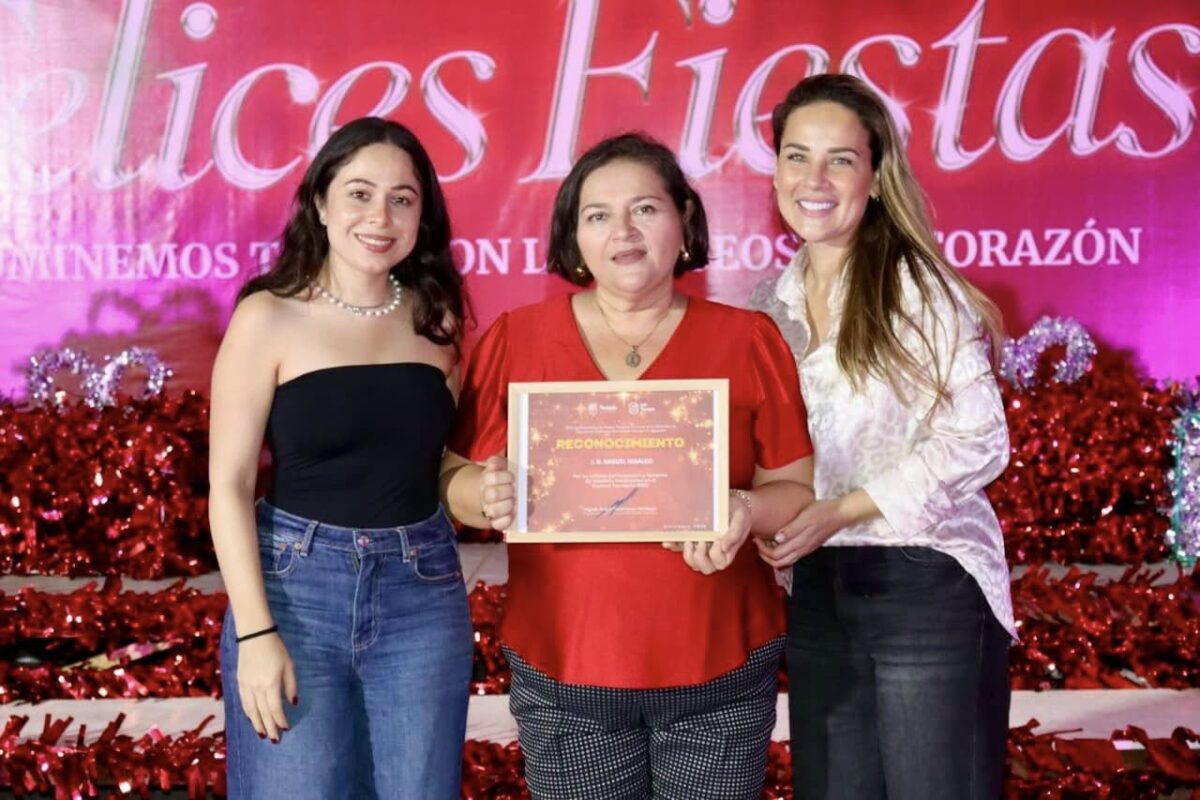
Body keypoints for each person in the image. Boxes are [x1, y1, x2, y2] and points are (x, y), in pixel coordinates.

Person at [439, 132, 815, 800]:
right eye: (598, 215)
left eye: (645, 208)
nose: (623, 231)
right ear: (573, 236)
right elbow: (453, 478)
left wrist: (747, 509)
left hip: (719, 671)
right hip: (565, 671)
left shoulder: (747, 339)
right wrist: (484, 494)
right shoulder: (516, 339)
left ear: (684, 220)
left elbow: (794, 487)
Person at [749, 73, 1015, 800]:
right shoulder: (765, 306)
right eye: (797, 156)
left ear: (875, 176)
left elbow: (979, 440)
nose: (814, 180)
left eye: (840, 159)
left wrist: (841, 509)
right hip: (816, 586)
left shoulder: (917, 288)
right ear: (775, 172)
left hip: (924, 579)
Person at [208, 117, 473, 800]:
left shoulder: (437, 320)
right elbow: (229, 485)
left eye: (402, 199)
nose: (380, 217)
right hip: (295, 593)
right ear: (321, 204)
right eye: (359, 193)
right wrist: (256, 633)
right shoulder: (266, 316)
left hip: (422, 595)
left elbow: (444, 465)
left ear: (421, 216)